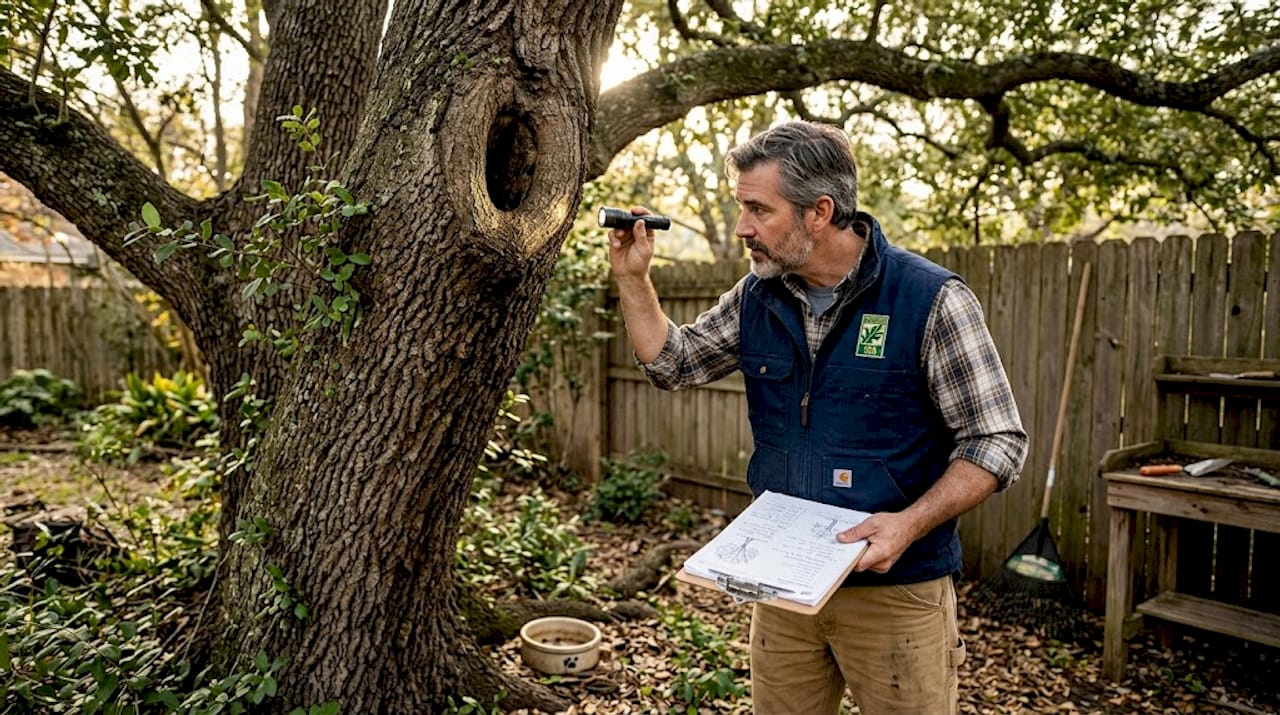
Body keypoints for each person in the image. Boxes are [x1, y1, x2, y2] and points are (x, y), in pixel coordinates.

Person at [606, 120, 1028, 715]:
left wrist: (907, 524)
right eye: (741, 207)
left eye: (758, 209)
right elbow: (674, 363)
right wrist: (633, 279)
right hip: (783, 594)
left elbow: (997, 440)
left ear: (818, 212)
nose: (742, 228)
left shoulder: (929, 299)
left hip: (896, 593)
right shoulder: (759, 295)